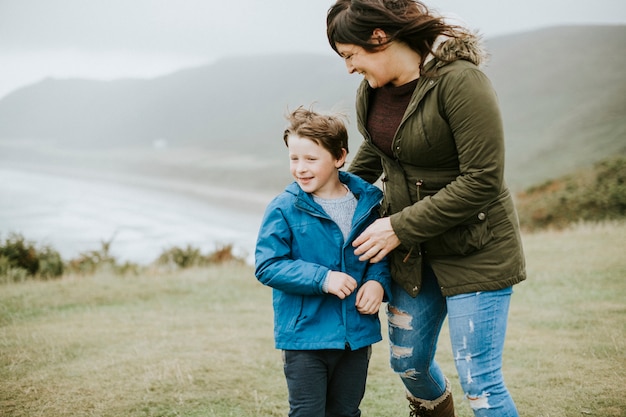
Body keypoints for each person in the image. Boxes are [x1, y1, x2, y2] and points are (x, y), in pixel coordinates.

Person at [326, 1, 527, 416]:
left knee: (480, 383)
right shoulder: (371, 91)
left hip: (477, 248)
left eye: (350, 55)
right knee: (408, 363)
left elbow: (483, 178)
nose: (348, 68)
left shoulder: (461, 82)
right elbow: (379, 155)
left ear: (379, 38)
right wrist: (320, 192)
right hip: (414, 256)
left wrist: (396, 227)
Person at [255, 106, 392, 417]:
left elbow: (379, 254)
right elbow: (268, 265)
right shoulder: (282, 208)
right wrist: (323, 279)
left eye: (311, 159)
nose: (300, 168)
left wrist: (376, 283)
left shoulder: (368, 202)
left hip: (355, 337)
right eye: (294, 158)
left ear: (339, 157)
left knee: (346, 412)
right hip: (305, 337)